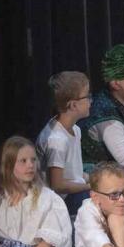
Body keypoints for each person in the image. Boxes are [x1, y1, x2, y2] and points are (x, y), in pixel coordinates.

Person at [36, 71, 92, 215]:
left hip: (75, 192)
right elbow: (58, 185)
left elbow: (74, 173)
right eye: (87, 96)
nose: (90, 101)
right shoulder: (57, 140)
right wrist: (90, 186)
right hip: (60, 202)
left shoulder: (75, 130)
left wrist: (94, 178)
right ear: (73, 105)